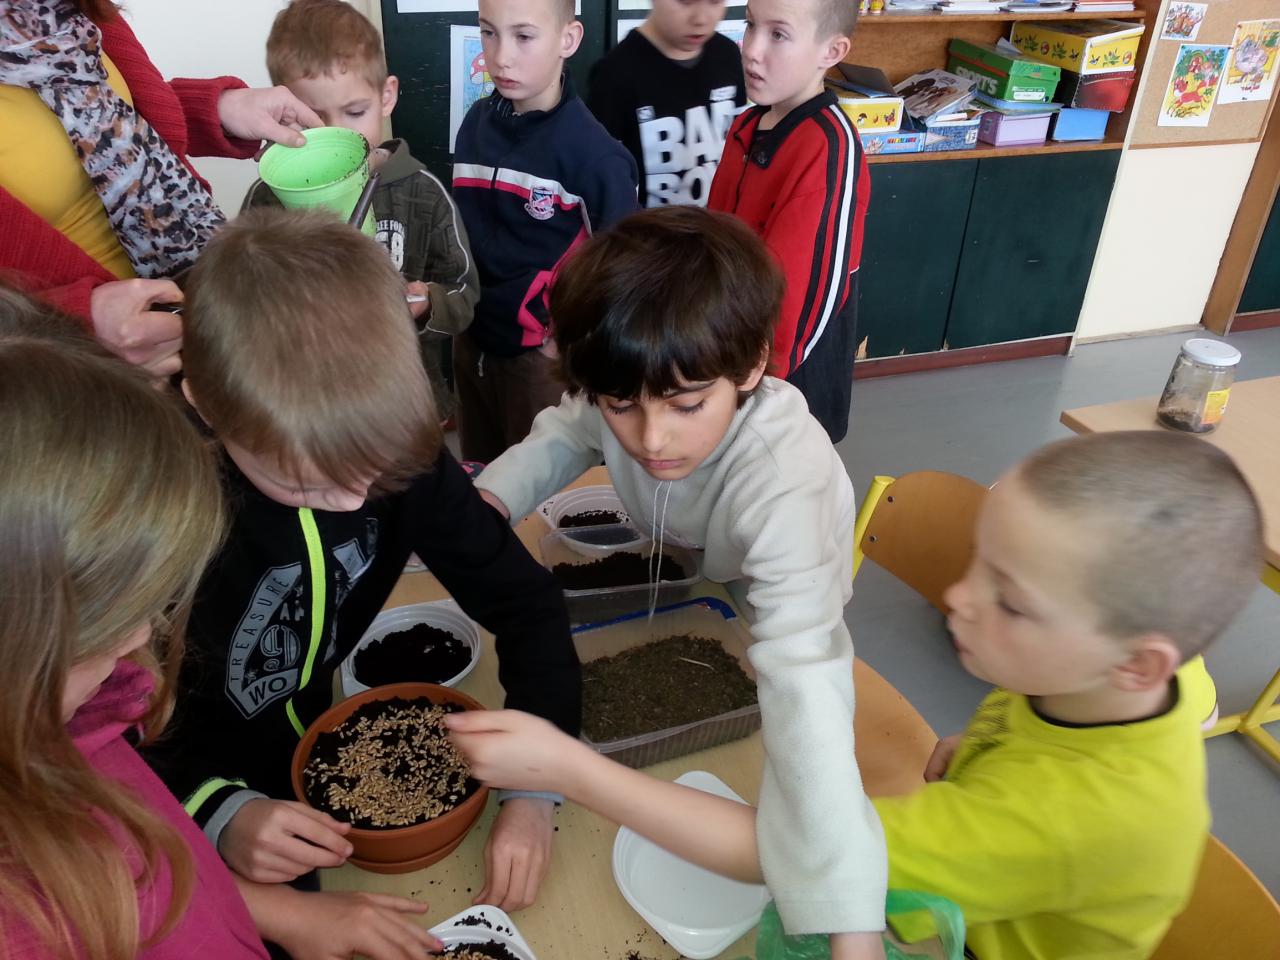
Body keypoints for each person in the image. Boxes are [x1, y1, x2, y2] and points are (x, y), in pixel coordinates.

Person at [453, 431, 1265, 960]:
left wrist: (570, 768)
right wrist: (983, 750)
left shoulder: (1063, 818)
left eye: (1012, 603)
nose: (960, 599)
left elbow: (793, 856)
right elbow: (1052, 736)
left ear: (1137, 665)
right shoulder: (1121, 681)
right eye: (980, 561)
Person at [138, 209, 580, 919]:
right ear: (205, 404)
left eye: (375, 472)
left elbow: (527, 603)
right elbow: (96, 728)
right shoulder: (147, 515)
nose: (352, 500)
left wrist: (534, 788)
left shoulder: (394, 458)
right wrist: (214, 808)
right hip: (186, 795)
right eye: (310, 484)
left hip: (320, 743)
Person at [472, 206, 886, 958]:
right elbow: (566, 432)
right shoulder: (626, 390)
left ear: (752, 365)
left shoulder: (784, 481)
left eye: (688, 404)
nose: (652, 438)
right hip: (702, 565)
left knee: (779, 717)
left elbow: (806, 678)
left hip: (775, 596)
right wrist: (487, 505)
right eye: (621, 406)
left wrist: (848, 917)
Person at [0, 287, 444, 960]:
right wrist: (217, 809)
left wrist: (280, 914)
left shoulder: (83, 714)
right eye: (112, 617)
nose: (142, 640)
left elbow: (152, 860)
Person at [0, 0, 323, 376]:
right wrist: (70, 323)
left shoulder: (57, 10)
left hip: (194, 303)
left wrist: (220, 108)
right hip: (80, 382)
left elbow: (105, 127)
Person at [242, 0, 478, 423]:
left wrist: (426, 302)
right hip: (307, 405)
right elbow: (241, 298)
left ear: (386, 96)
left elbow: (463, 292)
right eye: (310, 120)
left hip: (403, 401)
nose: (337, 136)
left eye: (354, 112)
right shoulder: (267, 199)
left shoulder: (423, 193)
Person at [451, 0, 638, 462]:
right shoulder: (474, 125)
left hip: (539, 361)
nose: (501, 56)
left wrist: (568, 341)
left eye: (523, 36)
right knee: (481, 477)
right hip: (470, 343)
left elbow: (624, 270)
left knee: (539, 488)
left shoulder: (596, 157)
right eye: (489, 32)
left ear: (567, 40)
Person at [707, 0, 866, 443]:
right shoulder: (748, 124)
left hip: (784, 379)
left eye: (778, 34)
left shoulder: (828, 146)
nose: (751, 49)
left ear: (831, 52)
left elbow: (803, 296)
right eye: (750, 26)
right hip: (729, 350)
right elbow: (715, 238)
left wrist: (753, 387)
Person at [586, 0, 746, 207]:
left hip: (720, 222)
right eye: (685, 1)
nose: (701, 19)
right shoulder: (614, 74)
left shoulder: (728, 54)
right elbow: (602, 184)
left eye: (715, 1)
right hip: (647, 225)